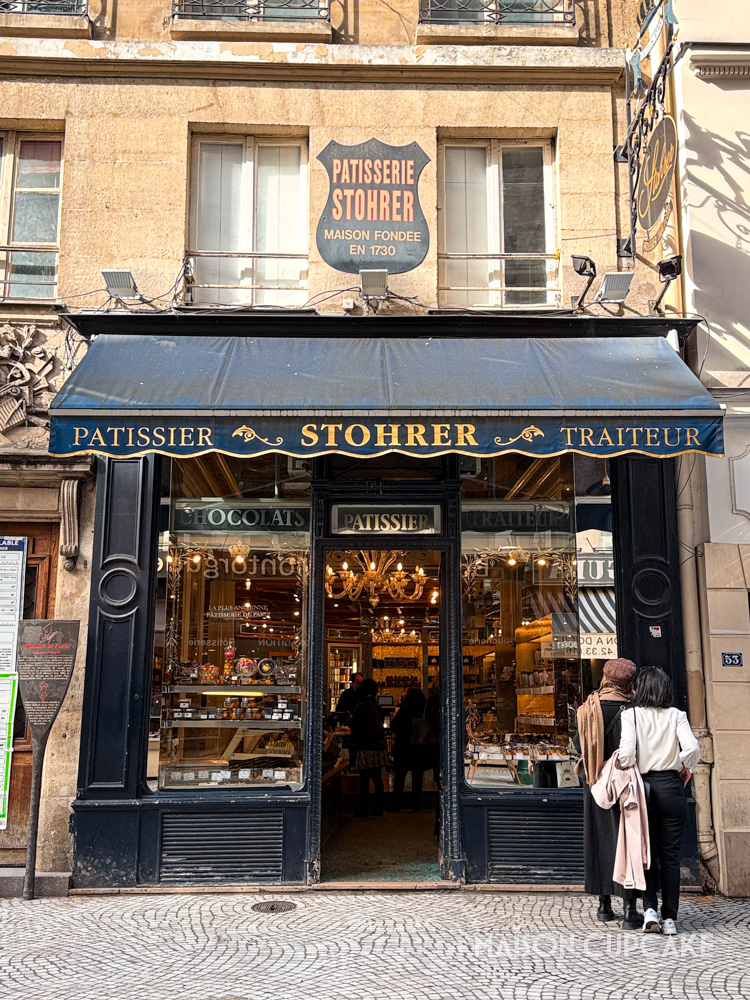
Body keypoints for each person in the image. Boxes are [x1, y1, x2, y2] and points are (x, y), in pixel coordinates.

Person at [618, 666, 701, 936]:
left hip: (644, 789)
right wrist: (686, 767)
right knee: (670, 856)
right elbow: (692, 748)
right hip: (672, 788)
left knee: (646, 854)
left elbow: (626, 753)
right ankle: (670, 919)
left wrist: (625, 764)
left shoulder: (631, 715)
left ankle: (650, 911)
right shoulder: (677, 715)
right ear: (666, 689)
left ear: (640, 689)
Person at [574, 658, 641, 929]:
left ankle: (604, 905)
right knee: (627, 842)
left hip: (595, 782)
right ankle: (629, 909)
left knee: (599, 839)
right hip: (626, 783)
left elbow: (578, 744)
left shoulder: (588, 708)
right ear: (629, 682)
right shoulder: (634, 710)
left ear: (605, 678)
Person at [349, 677, 388, 818]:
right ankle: (378, 808)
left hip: (364, 746)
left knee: (364, 779)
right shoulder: (377, 707)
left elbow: (356, 728)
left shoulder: (360, 706)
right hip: (378, 746)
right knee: (377, 778)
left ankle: (364, 809)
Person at [390, 686, 427, 812]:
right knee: (417, 778)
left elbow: (394, 726)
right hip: (419, 748)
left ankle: (396, 805)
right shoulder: (423, 711)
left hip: (403, 748)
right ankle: (416, 805)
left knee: (400, 777)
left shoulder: (404, 710)